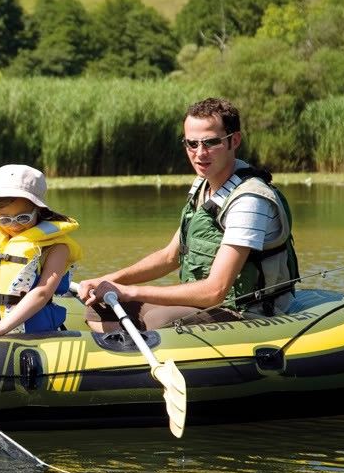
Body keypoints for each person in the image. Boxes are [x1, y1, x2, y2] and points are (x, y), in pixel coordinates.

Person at [78, 97, 300, 331]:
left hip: (246, 311)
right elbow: (169, 258)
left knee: (158, 322)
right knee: (98, 309)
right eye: (191, 144)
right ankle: (124, 362)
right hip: (205, 304)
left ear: (234, 141)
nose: (199, 153)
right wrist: (110, 281)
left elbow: (216, 290)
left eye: (211, 142)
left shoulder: (249, 200)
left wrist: (128, 291)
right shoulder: (202, 184)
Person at [0, 164, 82, 340]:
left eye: (23, 217)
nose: (14, 225)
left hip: (33, 336)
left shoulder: (57, 247)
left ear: (39, 210)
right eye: (4, 219)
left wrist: (0, 328)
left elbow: (42, 292)